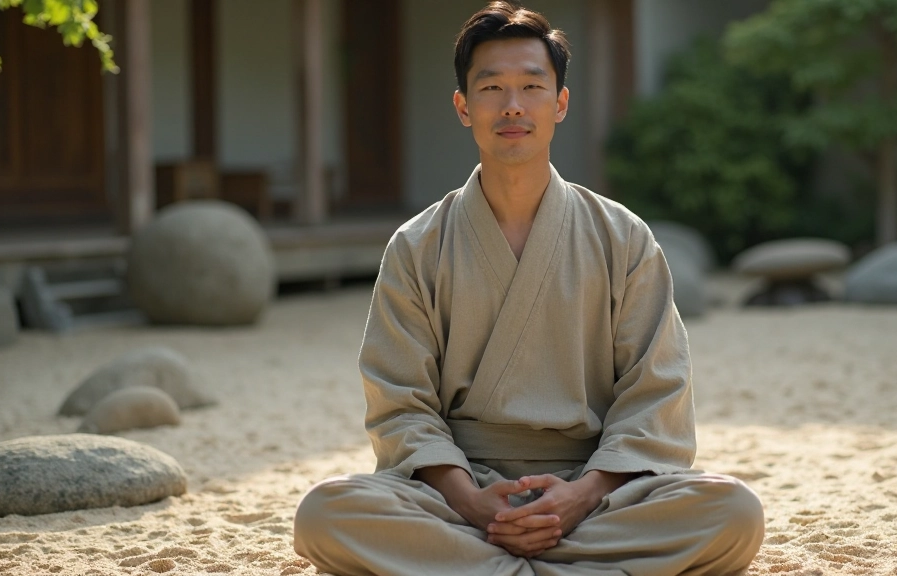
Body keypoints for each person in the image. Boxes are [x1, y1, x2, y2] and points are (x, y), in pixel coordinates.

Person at [293, 2, 764, 574]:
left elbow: (655, 393)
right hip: (458, 490)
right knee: (323, 514)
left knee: (735, 512)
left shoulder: (622, 237)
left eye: (531, 86)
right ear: (463, 107)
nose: (512, 105)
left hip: (595, 489)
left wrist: (582, 496)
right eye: (491, 87)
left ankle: (484, 567)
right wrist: (471, 503)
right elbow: (400, 406)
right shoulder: (418, 245)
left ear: (560, 103)